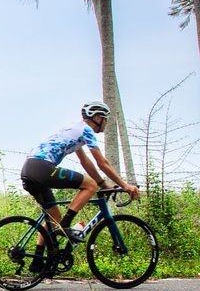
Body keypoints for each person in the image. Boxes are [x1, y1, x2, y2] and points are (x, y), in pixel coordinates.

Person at [20, 101, 140, 251]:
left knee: (53, 218)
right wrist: (125, 185)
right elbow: (102, 163)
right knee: (90, 185)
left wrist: (104, 185)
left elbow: (85, 162)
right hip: (42, 167)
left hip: (30, 169)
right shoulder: (86, 130)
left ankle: (38, 262)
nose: (106, 123)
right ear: (97, 118)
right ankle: (66, 224)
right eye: (106, 119)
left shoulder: (73, 129)